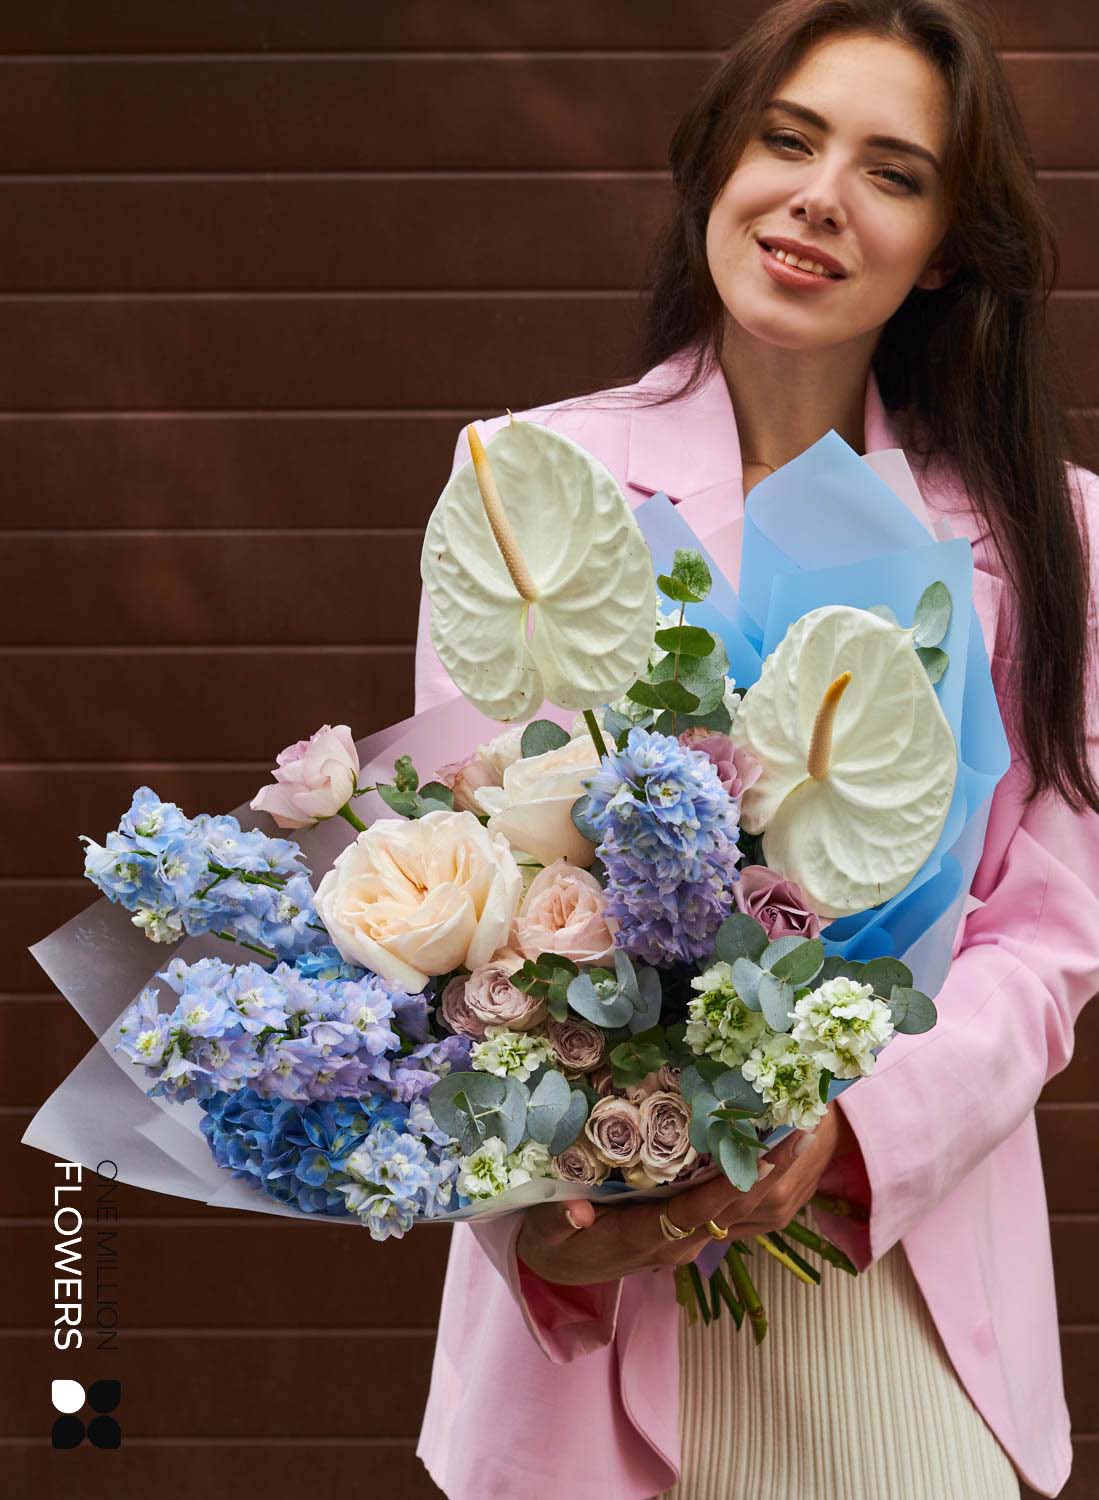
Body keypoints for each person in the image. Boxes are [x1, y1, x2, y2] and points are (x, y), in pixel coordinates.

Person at [413, 2, 1099, 1496]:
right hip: (601, 1273)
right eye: (789, 139)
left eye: (893, 172)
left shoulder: (1052, 535)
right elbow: (460, 882)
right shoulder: (532, 484)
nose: (819, 197)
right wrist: (559, 1200)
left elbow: (1049, 937)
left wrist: (847, 1126)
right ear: (719, 162)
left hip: (894, 1281)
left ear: (947, 248)